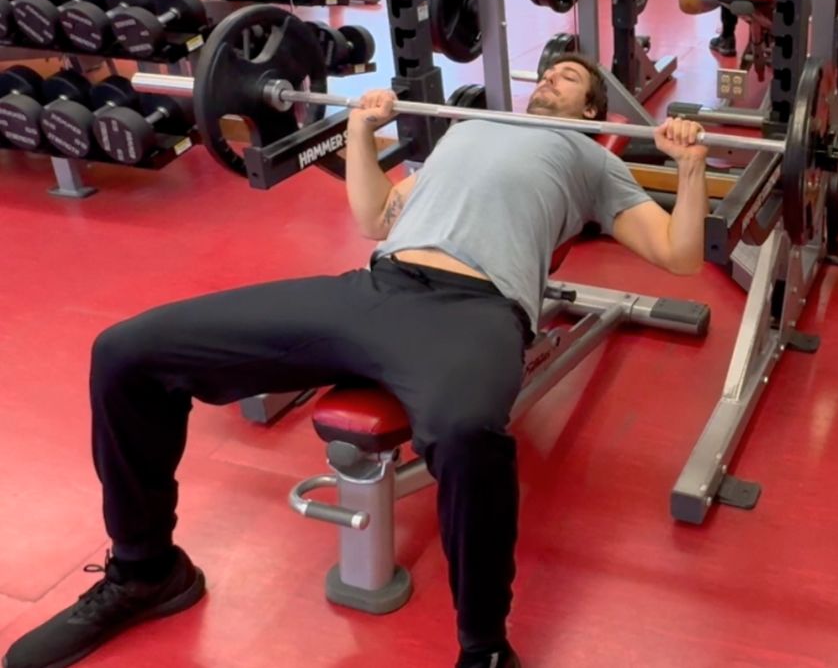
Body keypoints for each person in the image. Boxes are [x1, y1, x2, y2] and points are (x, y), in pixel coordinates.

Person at [2, 53, 708, 668]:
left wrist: (694, 166)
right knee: (125, 352)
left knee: (468, 436)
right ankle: (145, 569)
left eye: (570, 77)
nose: (551, 78)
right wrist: (363, 136)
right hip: (375, 287)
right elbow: (375, 219)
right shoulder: (466, 130)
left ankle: (484, 646)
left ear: (591, 107)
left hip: (475, 311)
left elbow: (676, 253)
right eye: (548, 70)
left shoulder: (593, 155)